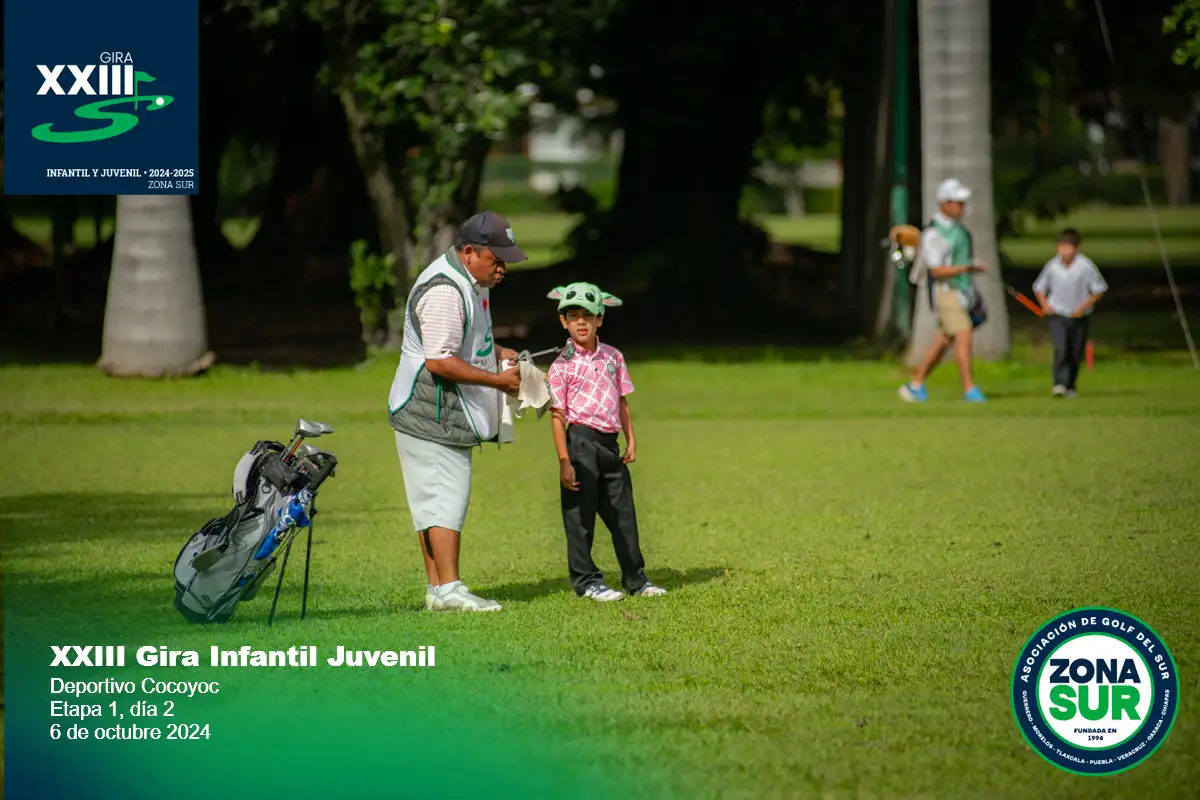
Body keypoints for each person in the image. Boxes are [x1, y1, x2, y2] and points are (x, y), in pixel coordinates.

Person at [387, 211, 526, 612]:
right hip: (430, 410)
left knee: (432, 501)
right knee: (445, 498)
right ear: (469, 253)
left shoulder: (473, 281)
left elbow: (468, 340)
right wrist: (498, 381)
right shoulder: (446, 291)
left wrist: (499, 353)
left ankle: (437, 589)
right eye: (496, 260)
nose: (502, 269)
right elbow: (440, 361)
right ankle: (450, 588)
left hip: (433, 409)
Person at [545, 282, 666, 602]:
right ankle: (587, 581)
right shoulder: (561, 365)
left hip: (610, 447)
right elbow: (557, 415)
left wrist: (631, 439)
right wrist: (564, 460)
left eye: (588, 315)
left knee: (623, 514)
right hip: (580, 444)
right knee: (580, 517)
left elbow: (622, 401)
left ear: (600, 318)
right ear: (563, 321)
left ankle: (636, 579)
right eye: (573, 316)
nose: (581, 322)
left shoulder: (614, 357)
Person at [899, 178, 989, 403]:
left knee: (943, 340)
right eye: (957, 202)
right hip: (946, 291)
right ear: (944, 204)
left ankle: (915, 384)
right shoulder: (933, 234)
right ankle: (969, 388)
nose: (961, 207)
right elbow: (936, 270)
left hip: (962, 290)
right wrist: (966, 268)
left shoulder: (959, 230)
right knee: (964, 335)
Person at [1033, 228, 1108, 397]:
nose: (1065, 251)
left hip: (1079, 315)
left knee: (1075, 351)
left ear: (1077, 248)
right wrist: (1045, 305)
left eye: (1068, 247)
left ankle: (1071, 385)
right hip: (1058, 313)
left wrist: (1082, 308)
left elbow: (1098, 290)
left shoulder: (1085, 266)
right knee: (1061, 348)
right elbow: (1039, 287)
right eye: (1061, 247)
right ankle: (1058, 383)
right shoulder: (1052, 266)